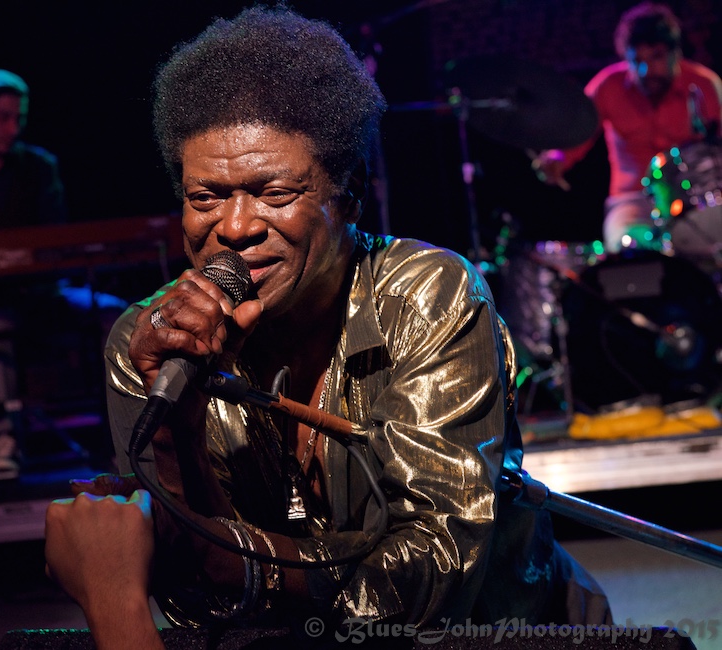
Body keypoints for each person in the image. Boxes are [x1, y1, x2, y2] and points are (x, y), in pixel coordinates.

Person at [44, 6, 611, 647]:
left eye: (274, 192)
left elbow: (429, 585)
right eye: (205, 196)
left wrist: (238, 564)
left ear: (349, 193)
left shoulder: (426, 297)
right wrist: (182, 414)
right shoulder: (148, 345)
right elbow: (194, 603)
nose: (233, 226)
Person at [0, 69, 122, 482]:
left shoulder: (39, 167)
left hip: (42, 294)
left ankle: (119, 441)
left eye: (19, 117)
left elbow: (56, 239)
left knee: (116, 318)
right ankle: (5, 445)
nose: (13, 127)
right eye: (3, 116)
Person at [532, 2, 722, 254]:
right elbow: (577, 133)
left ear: (675, 53)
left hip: (694, 200)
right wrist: (557, 158)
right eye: (636, 60)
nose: (645, 70)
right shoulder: (608, 86)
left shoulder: (704, 85)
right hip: (631, 202)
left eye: (655, 57)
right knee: (627, 255)